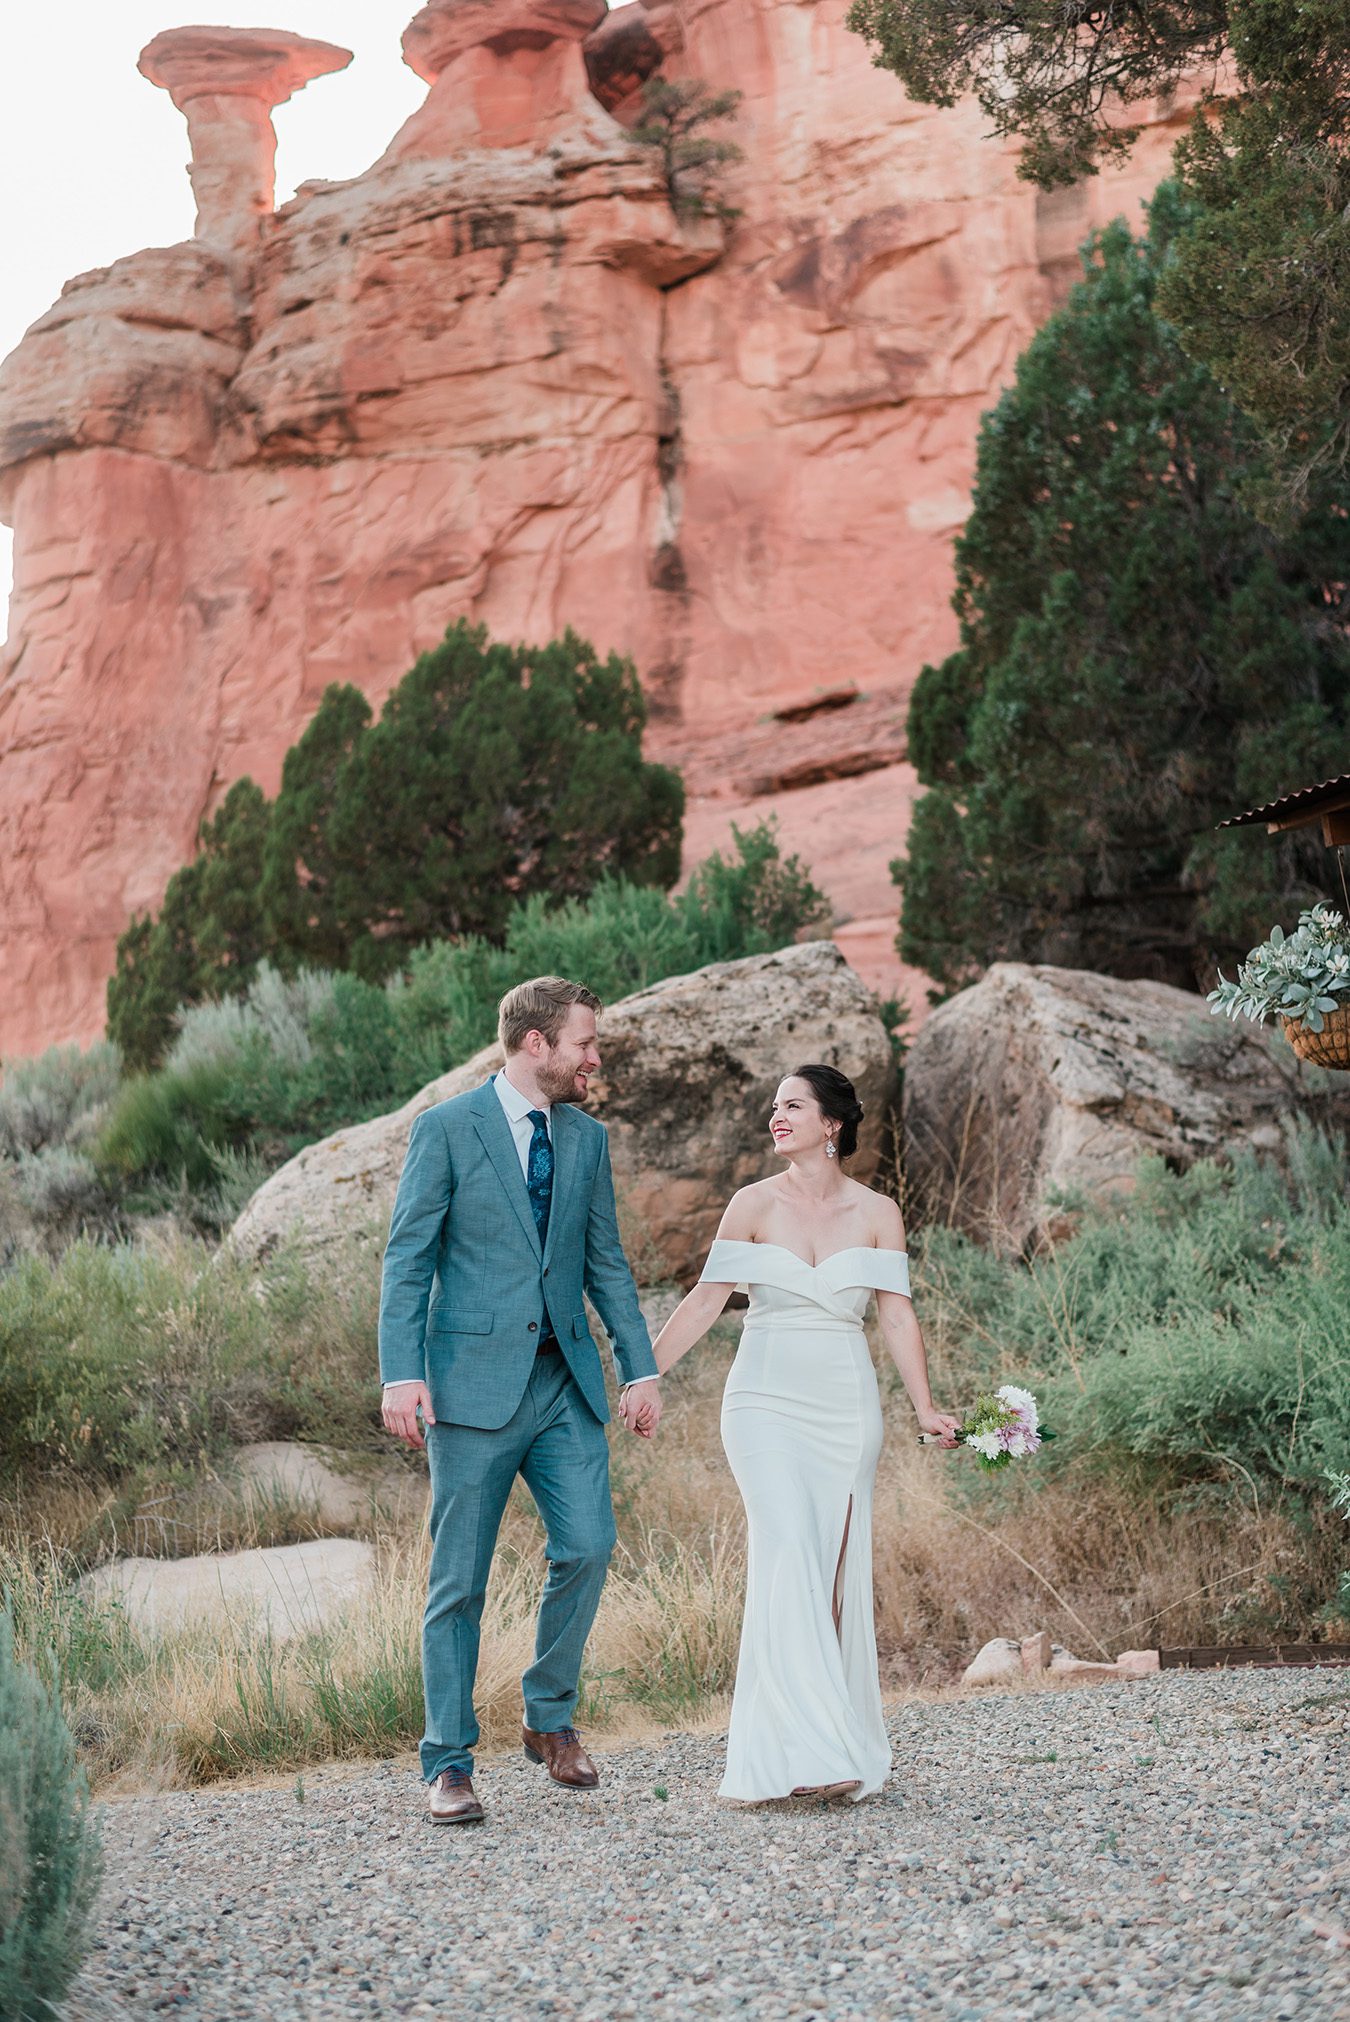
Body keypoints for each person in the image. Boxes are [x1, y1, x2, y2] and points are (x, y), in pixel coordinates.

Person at [379, 976, 663, 1825]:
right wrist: (402, 1373)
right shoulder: (446, 1129)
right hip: (469, 1391)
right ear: (536, 1043)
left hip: (563, 1385)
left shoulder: (587, 1140)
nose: (595, 1057)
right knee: (457, 1583)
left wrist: (638, 1368)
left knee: (588, 1546)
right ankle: (449, 1762)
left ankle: (548, 1719)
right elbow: (408, 1259)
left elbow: (605, 1262)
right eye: (585, 1041)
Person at [646, 1064, 958, 1802]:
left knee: (829, 1573)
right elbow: (705, 1301)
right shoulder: (752, 1204)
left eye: (792, 1105)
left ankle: (822, 1746)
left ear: (833, 1124)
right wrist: (642, 1373)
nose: (775, 1116)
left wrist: (924, 1407)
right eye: (773, 1106)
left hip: (846, 1408)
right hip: (762, 1400)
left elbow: (894, 1315)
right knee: (787, 1549)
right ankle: (812, 1754)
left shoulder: (878, 1212)